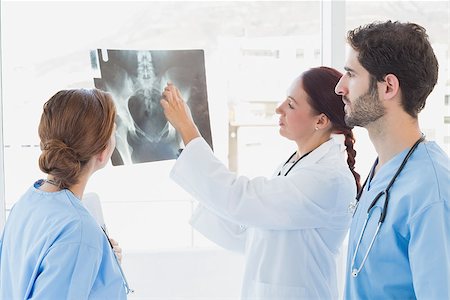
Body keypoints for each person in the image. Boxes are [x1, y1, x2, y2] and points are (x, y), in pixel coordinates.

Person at [160, 66, 361, 299]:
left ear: (321, 121)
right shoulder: (296, 165)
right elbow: (254, 231)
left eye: (291, 104)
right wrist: (197, 176)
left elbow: (243, 199)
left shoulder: (328, 178)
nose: (279, 108)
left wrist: (188, 129)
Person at [335, 20, 450, 299]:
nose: (339, 87)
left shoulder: (430, 191)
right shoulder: (384, 170)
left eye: (350, 74)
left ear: (388, 87)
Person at [0, 89, 128, 299]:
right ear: (104, 151)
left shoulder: (28, 202)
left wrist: (103, 269)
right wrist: (85, 249)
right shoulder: (78, 230)